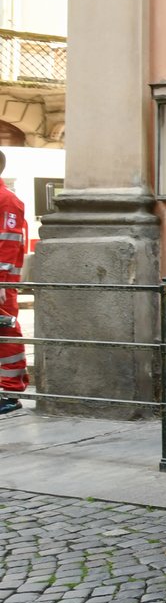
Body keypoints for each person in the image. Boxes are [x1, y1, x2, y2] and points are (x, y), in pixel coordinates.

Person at [0, 152, 28, 417]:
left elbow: (8, 242)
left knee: (5, 333)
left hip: (2, 283)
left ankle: (10, 392)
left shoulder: (8, 200)